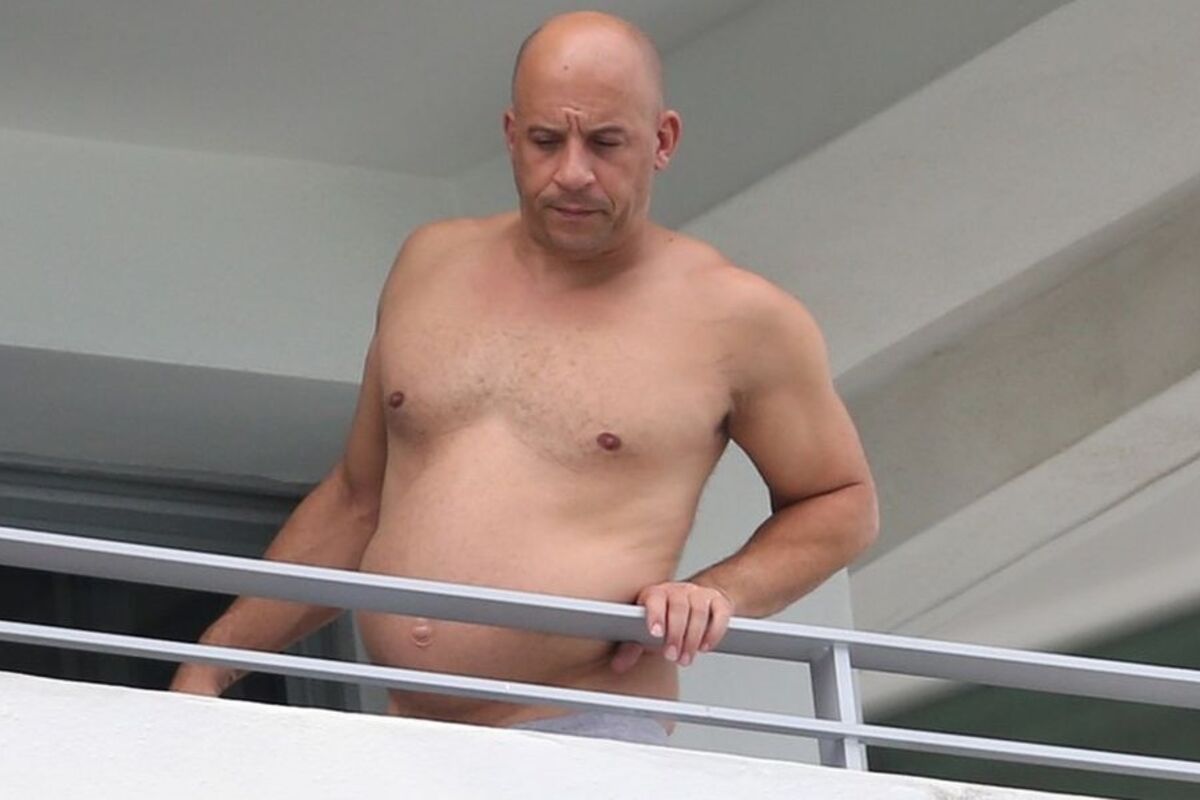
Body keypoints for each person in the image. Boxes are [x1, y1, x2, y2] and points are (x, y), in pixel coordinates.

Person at [169, 10, 878, 746]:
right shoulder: (429, 264)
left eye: (605, 142)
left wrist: (718, 592)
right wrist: (211, 664)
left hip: (584, 731)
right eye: (545, 141)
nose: (572, 172)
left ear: (662, 140)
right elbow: (356, 499)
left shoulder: (739, 317)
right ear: (511, 135)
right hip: (405, 737)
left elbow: (841, 500)